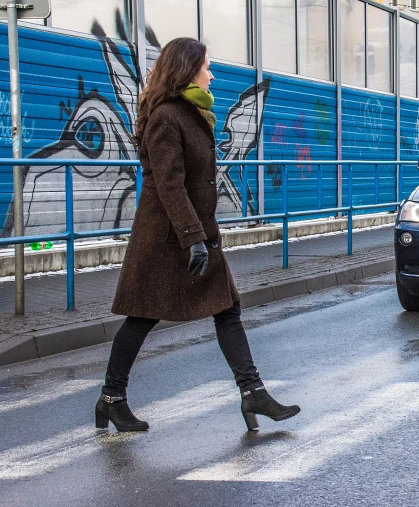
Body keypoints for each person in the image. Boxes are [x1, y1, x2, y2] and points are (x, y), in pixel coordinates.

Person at [96, 38, 299, 433]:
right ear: (188, 70)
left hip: (195, 234)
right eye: (207, 66)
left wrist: (198, 236)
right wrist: (193, 238)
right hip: (166, 239)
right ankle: (111, 399)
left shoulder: (191, 113)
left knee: (227, 309)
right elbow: (169, 185)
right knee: (142, 317)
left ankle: (252, 391)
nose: (212, 74)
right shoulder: (166, 117)